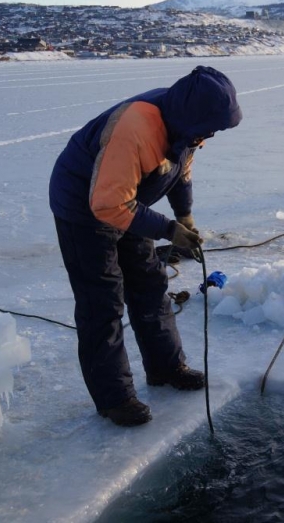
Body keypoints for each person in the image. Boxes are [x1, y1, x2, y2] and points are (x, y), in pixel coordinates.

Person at [49, 66, 243, 427]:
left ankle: (166, 368)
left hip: (128, 201)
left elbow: (180, 168)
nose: (211, 135)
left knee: (151, 284)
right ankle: (114, 398)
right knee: (102, 302)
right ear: (193, 115)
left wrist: (183, 216)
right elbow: (106, 205)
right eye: (210, 127)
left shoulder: (186, 123)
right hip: (85, 208)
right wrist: (167, 228)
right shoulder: (136, 128)